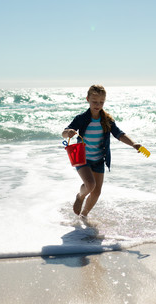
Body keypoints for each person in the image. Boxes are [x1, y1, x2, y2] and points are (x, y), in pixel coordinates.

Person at [62, 85, 142, 217]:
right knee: (90, 184)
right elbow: (64, 133)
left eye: (101, 102)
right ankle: (80, 196)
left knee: (97, 192)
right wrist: (68, 132)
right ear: (87, 99)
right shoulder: (81, 118)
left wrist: (133, 144)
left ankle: (84, 216)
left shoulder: (107, 120)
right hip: (82, 159)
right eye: (94, 101)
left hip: (99, 160)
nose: (98, 105)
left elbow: (119, 134)